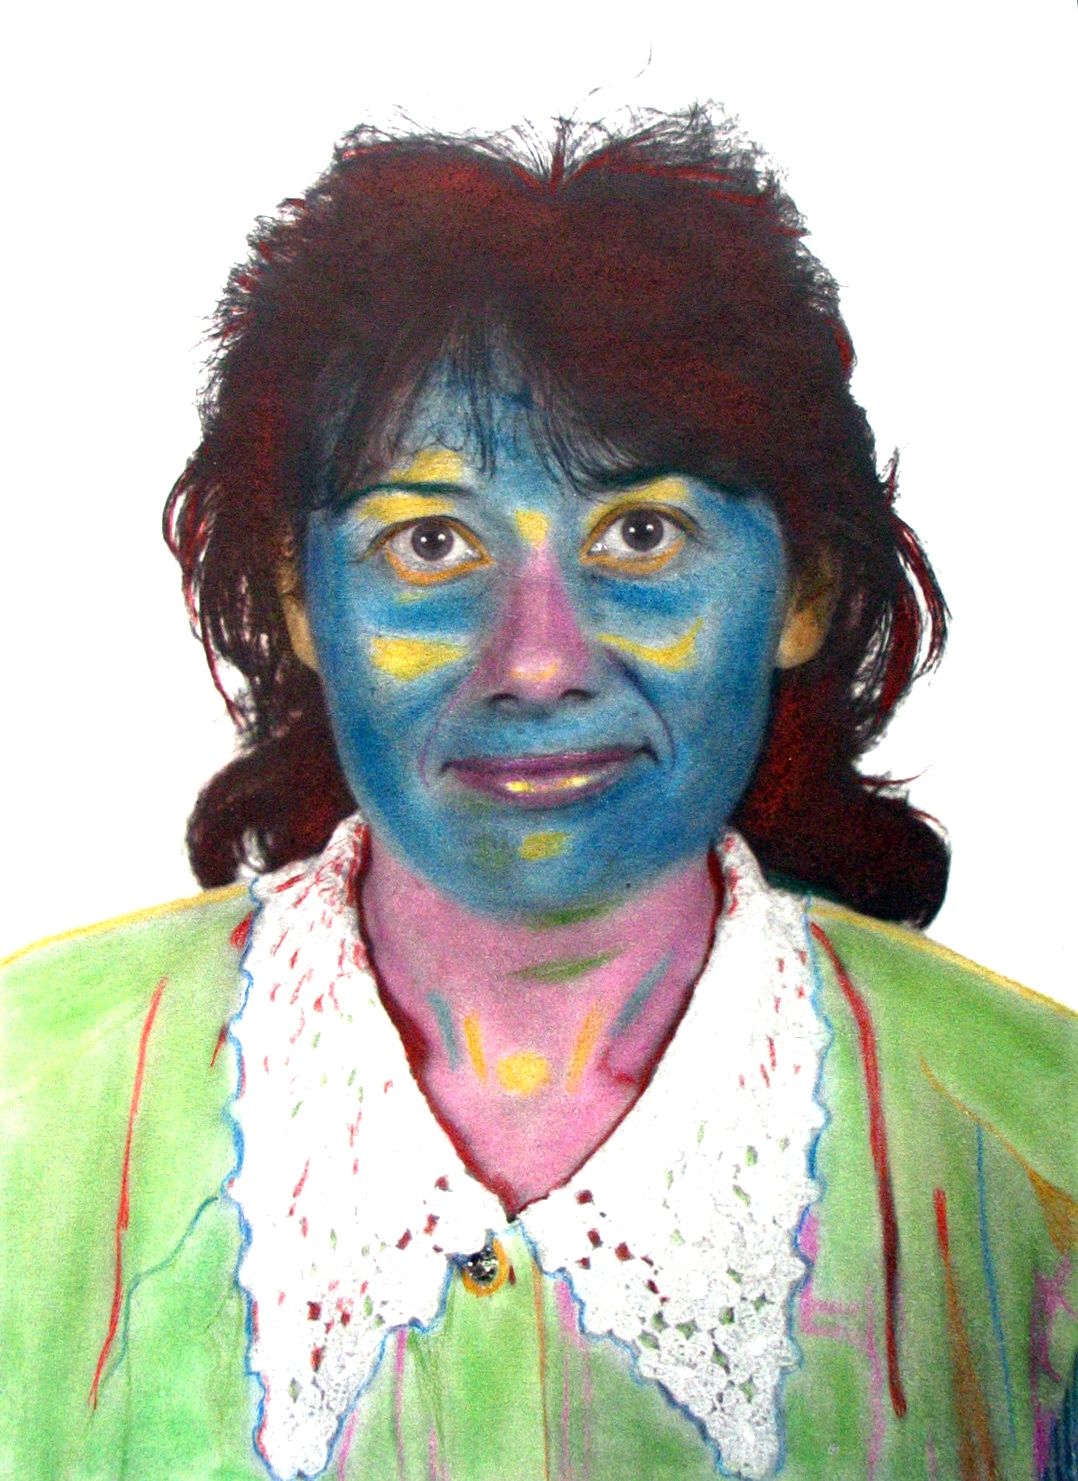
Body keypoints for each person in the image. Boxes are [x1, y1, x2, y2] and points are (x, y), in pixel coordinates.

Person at [2, 108, 1075, 1481]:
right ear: (296, 598)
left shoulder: (1042, 1146)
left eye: (642, 532)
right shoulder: (25, 1096)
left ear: (804, 587)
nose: (537, 660)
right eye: (428, 542)